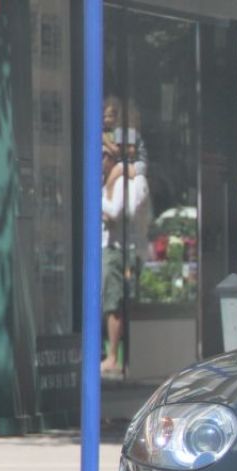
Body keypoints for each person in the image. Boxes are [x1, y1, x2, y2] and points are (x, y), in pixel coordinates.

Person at [100, 128, 151, 377]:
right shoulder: (119, 179)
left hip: (120, 249)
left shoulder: (123, 180)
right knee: (112, 302)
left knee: (114, 303)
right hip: (118, 247)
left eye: (104, 157)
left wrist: (98, 197)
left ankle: (113, 357)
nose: (101, 162)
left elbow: (118, 212)